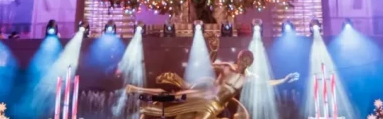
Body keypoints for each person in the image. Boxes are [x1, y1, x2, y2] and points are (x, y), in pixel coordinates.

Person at [127, 51, 298, 119]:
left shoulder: (248, 78)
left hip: (214, 106)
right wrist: (212, 50)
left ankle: (146, 109)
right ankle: (140, 95)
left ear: (250, 63)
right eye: (243, 58)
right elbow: (208, 63)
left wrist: (283, 80)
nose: (245, 62)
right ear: (238, 58)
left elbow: (266, 83)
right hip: (205, 95)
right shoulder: (226, 67)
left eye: (248, 61)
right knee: (174, 97)